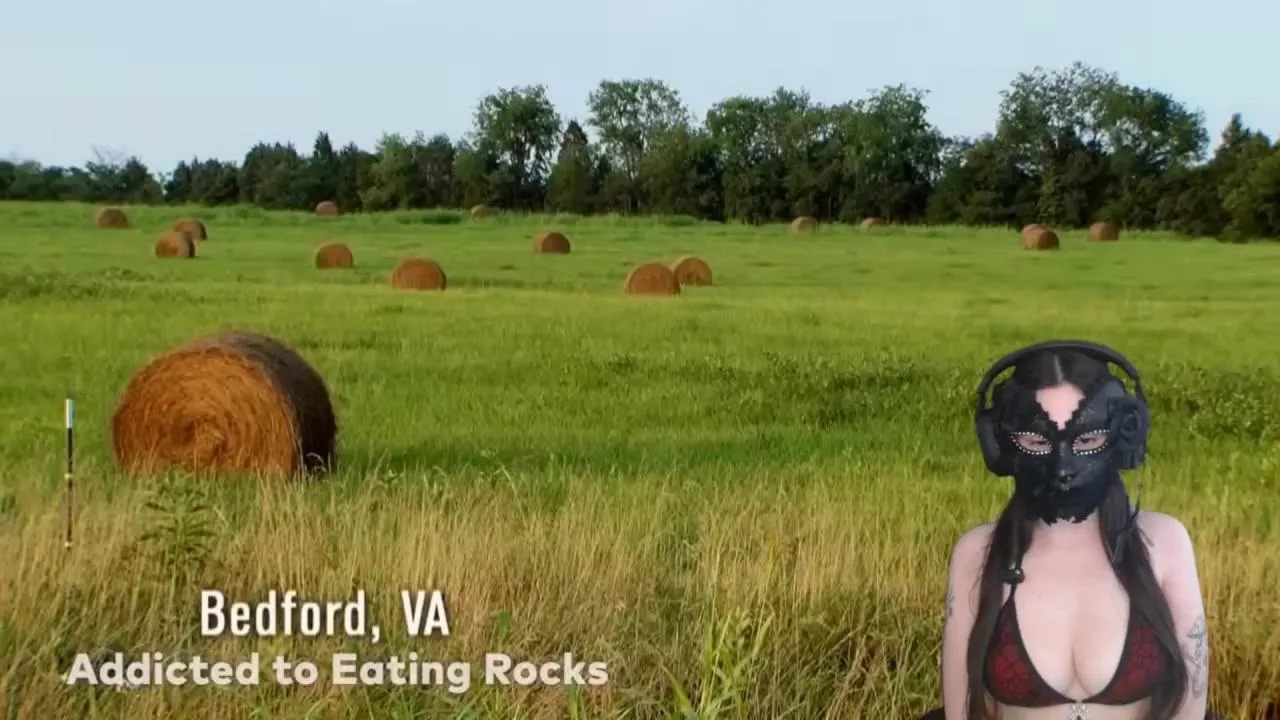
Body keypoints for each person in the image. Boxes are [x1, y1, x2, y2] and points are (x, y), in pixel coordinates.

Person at [919, 340, 1215, 720]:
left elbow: (1189, 709)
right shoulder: (977, 554)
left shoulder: (1165, 543)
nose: (1062, 467)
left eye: (1087, 439)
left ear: (1124, 437)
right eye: (1038, 441)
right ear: (1000, 444)